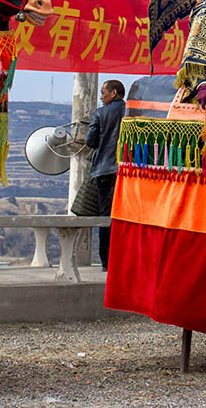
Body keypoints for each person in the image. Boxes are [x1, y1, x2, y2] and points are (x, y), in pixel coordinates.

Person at [83, 79, 126, 270]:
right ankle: (122, 258)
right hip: (127, 171)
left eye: (103, 93)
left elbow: (91, 142)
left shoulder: (100, 113)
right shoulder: (131, 111)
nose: (101, 97)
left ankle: (106, 261)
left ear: (113, 93)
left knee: (105, 216)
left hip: (105, 169)